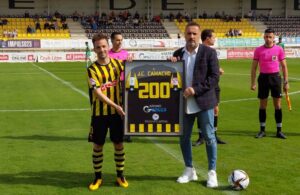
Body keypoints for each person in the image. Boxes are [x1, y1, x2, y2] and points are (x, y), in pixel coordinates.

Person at [171, 22, 219, 188]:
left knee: (209, 136)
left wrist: (195, 89)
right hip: (183, 103)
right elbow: (172, 80)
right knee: (184, 137)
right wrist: (171, 66)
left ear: (199, 36)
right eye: (189, 33)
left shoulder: (209, 53)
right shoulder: (177, 53)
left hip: (204, 101)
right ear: (184, 35)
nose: (191, 37)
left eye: (194, 34)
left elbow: (214, 78)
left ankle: (212, 172)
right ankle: (189, 169)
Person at [87, 33, 128, 190]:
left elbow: (137, 72)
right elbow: (97, 92)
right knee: (98, 146)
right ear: (94, 49)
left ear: (108, 47)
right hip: (99, 114)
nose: (102, 49)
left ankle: (120, 175)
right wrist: (116, 105)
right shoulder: (92, 69)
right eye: (98, 47)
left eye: (104, 46)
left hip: (117, 115)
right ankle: (97, 178)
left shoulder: (118, 65)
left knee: (119, 144)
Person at [251, 28, 289, 139]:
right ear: (264, 37)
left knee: (277, 105)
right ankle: (262, 130)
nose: (268, 39)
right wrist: (253, 83)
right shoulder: (258, 50)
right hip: (263, 78)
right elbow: (253, 68)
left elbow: (284, 66)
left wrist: (286, 82)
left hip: (275, 78)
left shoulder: (279, 49)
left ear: (274, 38)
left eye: (270, 37)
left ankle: (279, 131)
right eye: (266, 37)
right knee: (263, 105)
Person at [193, 29, 226, 146]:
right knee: (200, 110)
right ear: (207, 38)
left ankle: (214, 135)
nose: (215, 39)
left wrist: (217, 70)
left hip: (214, 86)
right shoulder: (199, 52)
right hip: (204, 86)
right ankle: (201, 137)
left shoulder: (212, 51)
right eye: (213, 37)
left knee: (216, 111)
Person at [109, 32, 133, 143]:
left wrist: (131, 61)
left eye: (121, 40)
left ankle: (126, 133)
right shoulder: (108, 54)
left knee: (126, 108)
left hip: (124, 83)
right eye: (117, 40)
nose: (119, 42)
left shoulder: (126, 53)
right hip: (113, 85)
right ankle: (116, 132)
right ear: (112, 41)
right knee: (114, 110)